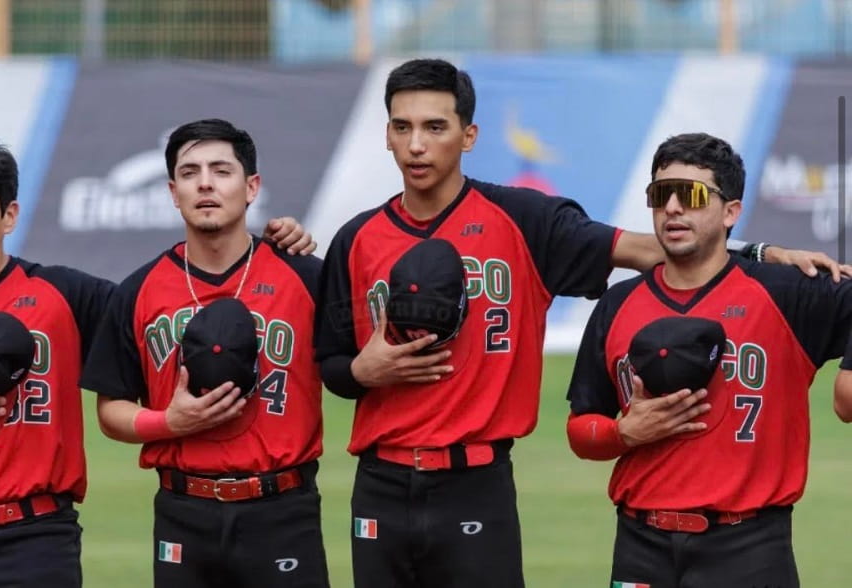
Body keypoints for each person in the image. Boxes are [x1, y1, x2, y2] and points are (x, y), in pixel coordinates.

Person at [312, 58, 848, 588]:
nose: (416, 145)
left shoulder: (525, 219)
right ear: (386, 135)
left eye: (434, 127)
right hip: (380, 480)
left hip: (477, 478)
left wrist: (760, 252)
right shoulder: (355, 240)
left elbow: (650, 248)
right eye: (402, 127)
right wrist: (362, 371)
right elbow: (331, 365)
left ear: (468, 135)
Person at [0, 139, 316, 588]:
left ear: (9, 215)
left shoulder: (71, 297)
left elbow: (177, 308)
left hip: (35, 537)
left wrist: (271, 244)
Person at [565, 132, 852, 588]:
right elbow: (581, 429)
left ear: (731, 212)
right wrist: (623, 433)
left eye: (692, 195)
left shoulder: (787, 293)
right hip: (641, 546)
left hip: (750, 547)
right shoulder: (617, 305)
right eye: (661, 194)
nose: (672, 208)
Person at [81, 118, 329, 588]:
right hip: (184, 510)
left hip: (282, 507)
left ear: (252, 187)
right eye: (190, 173)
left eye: (222, 170)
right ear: (173, 193)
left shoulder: (307, 276)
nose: (206, 184)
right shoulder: (138, 290)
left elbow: (349, 371)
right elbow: (110, 410)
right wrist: (169, 423)